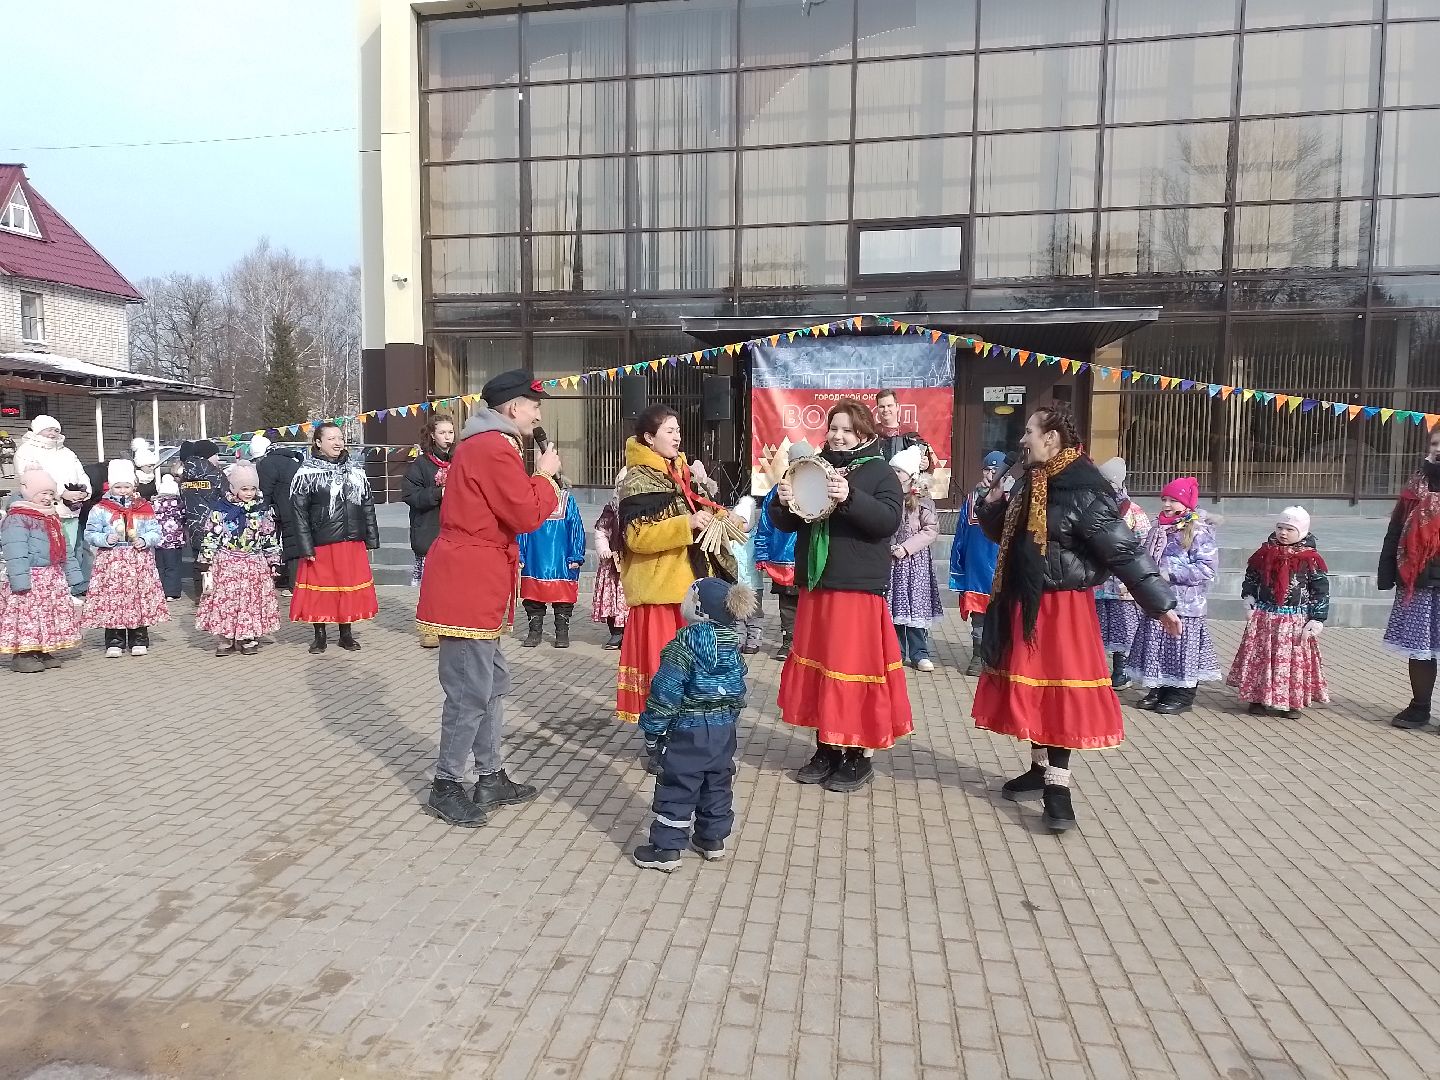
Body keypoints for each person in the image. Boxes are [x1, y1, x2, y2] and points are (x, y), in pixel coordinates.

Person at [972, 406, 1179, 833]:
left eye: (1029, 431)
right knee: (1032, 693)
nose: (1022, 439)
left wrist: (1159, 601)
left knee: (1059, 694)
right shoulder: (1031, 478)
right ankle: (1037, 768)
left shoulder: (1084, 488)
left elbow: (1122, 549)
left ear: (1051, 438)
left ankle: (1057, 786)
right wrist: (991, 506)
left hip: (1063, 608)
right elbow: (1007, 537)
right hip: (1023, 600)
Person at [417, 370, 561, 827]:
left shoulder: (490, 445)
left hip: (481, 581)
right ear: (513, 407)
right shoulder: (492, 448)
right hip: (468, 582)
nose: (538, 412)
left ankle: (490, 774)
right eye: (533, 404)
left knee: (491, 684)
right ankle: (446, 783)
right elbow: (523, 513)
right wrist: (543, 478)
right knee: (468, 690)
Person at [769, 399, 910, 793]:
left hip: (857, 590)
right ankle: (826, 748)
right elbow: (791, 520)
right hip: (819, 586)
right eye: (833, 427)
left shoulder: (880, 472)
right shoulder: (813, 466)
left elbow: (887, 522)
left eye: (847, 429)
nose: (838, 435)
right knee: (821, 672)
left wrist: (849, 496)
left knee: (853, 674)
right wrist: (782, 501)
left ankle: (857, 755)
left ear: (864, 434)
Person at [616, 405, 737, 725]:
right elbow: (636, 537)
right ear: (648, 438)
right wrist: (686, 525)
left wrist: (726, 518)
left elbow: (704, 510)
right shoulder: (636, 479)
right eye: (669, 431)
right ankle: (659, 741)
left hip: (690, 592)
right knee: (663, 671)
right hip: (658, 594)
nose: (677, 437)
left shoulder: (682, 473)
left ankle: (689, 736)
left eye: (678, 430)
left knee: (692, 670)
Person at [632, 577, 752, 872]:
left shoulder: (682, 646)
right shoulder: (732, 647)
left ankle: (667, 848)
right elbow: (738, 691)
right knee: (717, 782)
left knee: (678, 785)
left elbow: (665, 692)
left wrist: (653, 731)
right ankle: (712, 840)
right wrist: (728, 721)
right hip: (723, 731)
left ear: (699, 608)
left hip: (688, 730)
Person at [1126, 477, 1221, 714]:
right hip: (1159, 600)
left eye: (1173, 500)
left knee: (1180, 650)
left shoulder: (1198, 530)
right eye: (1164, 499)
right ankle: (1158, 687)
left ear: (1187, 503)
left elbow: (1207, 568)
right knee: (1158, 647)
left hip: (1186, 604)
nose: (1167, 504)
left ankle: (1183, 693)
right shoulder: (1158, 528)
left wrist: (1171, 573)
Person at [1228, 506, 1329, 718]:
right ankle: (1257, 698)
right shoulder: (1264, 553)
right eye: (1280, 528)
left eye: (1289, 529)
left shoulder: (1310, 559)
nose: (1283, 533)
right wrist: (1249, 597)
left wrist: (1317, 618)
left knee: (1291, 661)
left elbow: (1320, 590)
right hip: (1265, 615)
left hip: (1293, 618)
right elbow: (1252, 577)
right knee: (1261, 656)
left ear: (1301, 532)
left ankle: (1291, 702)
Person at [289, 423, 380, 654]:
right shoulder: (306, 474)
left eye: (340, 438)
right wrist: (305, 546)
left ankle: (345, 634)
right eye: (331, 439)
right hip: (322, 541)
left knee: (346, 588)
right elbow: (299, 515)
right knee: (320, 590)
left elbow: (367, 506)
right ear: (318, 443)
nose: (338, 443)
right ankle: (319, 635)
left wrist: (371, 537)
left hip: (351, 541)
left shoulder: (356, 471)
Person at [1378, 428, 1440, 730]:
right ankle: (1419, 707)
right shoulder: (1416, 484)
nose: (1439, 449)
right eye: (1435, 443)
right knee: (1420, 647)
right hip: (1419, 579)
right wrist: (1387, 569)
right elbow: (1396, 526)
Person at [0, 468, 85, 672]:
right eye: (42, 494)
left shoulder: (51, 516)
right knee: (28, 616)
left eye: (50, 494)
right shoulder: (18, 517)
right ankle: (23, 654)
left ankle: (41, 649)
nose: (47, 498)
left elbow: (65, 547)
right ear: (29, 492)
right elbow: (15, 550)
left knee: (47, 615)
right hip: (30, 575)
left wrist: (73, 574)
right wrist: (20, 580)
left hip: (51, 575)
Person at [195, 462, 283, 657]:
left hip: (253, 562)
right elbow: (211, 535)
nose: (249, 493)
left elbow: (269, 536)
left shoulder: (262, 510)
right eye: (244, 489)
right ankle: (225, 637)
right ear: (233, 488)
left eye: (253, 488)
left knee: (250, 601)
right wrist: (206, 559)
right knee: (226, 601)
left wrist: (274, 560)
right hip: (227, 563)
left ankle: (247, 636)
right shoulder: (220, 510)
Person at [82, 459, 168, 657]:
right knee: (113, 600)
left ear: (133, 486)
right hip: (111, 561)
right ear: (110, 486)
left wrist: (145, 540)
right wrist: (104, 538)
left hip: (138, 560)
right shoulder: (100, 509)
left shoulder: (144, 508)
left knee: (138, 598)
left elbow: (156, 531)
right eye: (118, 486)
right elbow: (90, 533)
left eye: (126, 486)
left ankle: (139, 637)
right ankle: (114, 639)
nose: (122, 490)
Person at [1093, 457, 1151, 690]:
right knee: (1097, 629)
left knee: (1124, 629)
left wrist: (1135, 578)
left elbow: (1144, 546)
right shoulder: (1094, 505)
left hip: (1122, 584)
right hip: (1097, 581)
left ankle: (1121, 671)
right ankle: (1096, 671)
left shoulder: (1134, 512)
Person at [887, 444, 943, 674]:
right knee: (897, 607)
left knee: (916, 607)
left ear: (909, 475)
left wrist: (907, 548)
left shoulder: (923, 501)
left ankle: (919, 652)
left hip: (915, 562)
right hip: (893, 561)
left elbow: (930, 530)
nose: (894, 475)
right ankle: (897, 652)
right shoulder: (889, 497)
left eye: (898, 471)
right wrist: (890, 545)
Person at [401, 414, 456, 648]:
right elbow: (409, 496)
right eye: (442, 433)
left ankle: (454, 625)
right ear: (432, 435)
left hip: (456, 533)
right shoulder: (421, 464)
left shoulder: (461, 460)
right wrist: (437, 493)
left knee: (454, 585)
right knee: (431, 586)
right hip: (429, 531)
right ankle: (429, 629)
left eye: (451, 432)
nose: (448, 438)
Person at [949, 451, 1006, 677]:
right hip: (977, 570)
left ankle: (997, 658)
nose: (990, 473)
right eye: (987, 469)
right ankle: (977, 656)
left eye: (996, 470)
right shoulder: (972, 499)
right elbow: (962, 534)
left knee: (1002, 616)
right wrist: (958, 566)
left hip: (1002, 569)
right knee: (979, 618)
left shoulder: (1012, 497)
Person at [517, 472, 586, 649]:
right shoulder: (530, 500)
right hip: (535, 558)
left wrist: (576, 554)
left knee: (563, 599)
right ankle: (534, 632)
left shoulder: (566, 500)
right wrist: (520, 553)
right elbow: (523, 528)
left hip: (561, 559)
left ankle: (562, 632)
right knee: (533, 600)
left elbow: (575, 528)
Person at [754, 445, 806, 661]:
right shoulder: (776, 492)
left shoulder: (819, 489)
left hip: (808, 559)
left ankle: (807, 642)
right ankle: (788, 640)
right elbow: (765, 525)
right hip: (782, 559)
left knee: (808, 602)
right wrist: (762, 554)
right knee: (787, 604)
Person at [13, 416, 90, 558]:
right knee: (47, 554)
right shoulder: (26, 451)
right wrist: (61, 493)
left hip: (70, 511)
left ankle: (68, 580)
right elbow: (33, 480)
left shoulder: (67, 452)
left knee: (69, 553)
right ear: (38, 430)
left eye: (56, 430)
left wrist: (84, 492)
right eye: (49, 430)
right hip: (43, 512)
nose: (53, 433)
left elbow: (81, 473)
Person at [250, 434, 304, 594]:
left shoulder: (267, 464)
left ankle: (292, 584)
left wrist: (262, 514)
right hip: (297, 505)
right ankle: (289, 580)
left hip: (285, 508)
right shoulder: (289, 460)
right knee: (293, 543)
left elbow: (265, 492)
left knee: (289, 544)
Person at [178, 440, 226, 600]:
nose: (218, 459)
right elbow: (228, 497)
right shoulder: (216, 475)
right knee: (216, 559)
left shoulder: (184, 476)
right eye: (215, 455)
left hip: (193, 524)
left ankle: (200, 595)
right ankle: (215, 593)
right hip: (214, 524)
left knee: (198, 558)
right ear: (207, 456)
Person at [591, 469, 629, 651]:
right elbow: (601, 531)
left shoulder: (641, 508)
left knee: (630, 600)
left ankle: (630, 633)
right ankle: (616, 632)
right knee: (613, 598)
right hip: (614, 562)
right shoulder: (611, 509)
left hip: (634, 563)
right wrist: (604, 549)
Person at [726, 496, 765, 656]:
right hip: (736, 585)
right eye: (738, 520)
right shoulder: (731, 538)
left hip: (754, 584)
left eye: (745, 521)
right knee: (737, 615)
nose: (741, 525)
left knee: (754, 614)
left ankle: (754, 641)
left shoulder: (757, 538)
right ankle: (739, 641)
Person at [873, 388, 938, 471]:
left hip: (903, 483)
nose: (886, 410)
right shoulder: (871, 433)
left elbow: (928, 465)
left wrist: (926, 465)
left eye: (889, 405)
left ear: (897, 407)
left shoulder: (909, 434)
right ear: (877, 409)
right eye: (882, 406)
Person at [152, 474, 187, 601]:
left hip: (158, 540)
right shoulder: (179, 504)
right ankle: (172, 592)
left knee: (160, 566)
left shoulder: (154, 504)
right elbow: (184, 519)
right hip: (175, 540)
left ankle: (159, 590)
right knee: (173, 566)